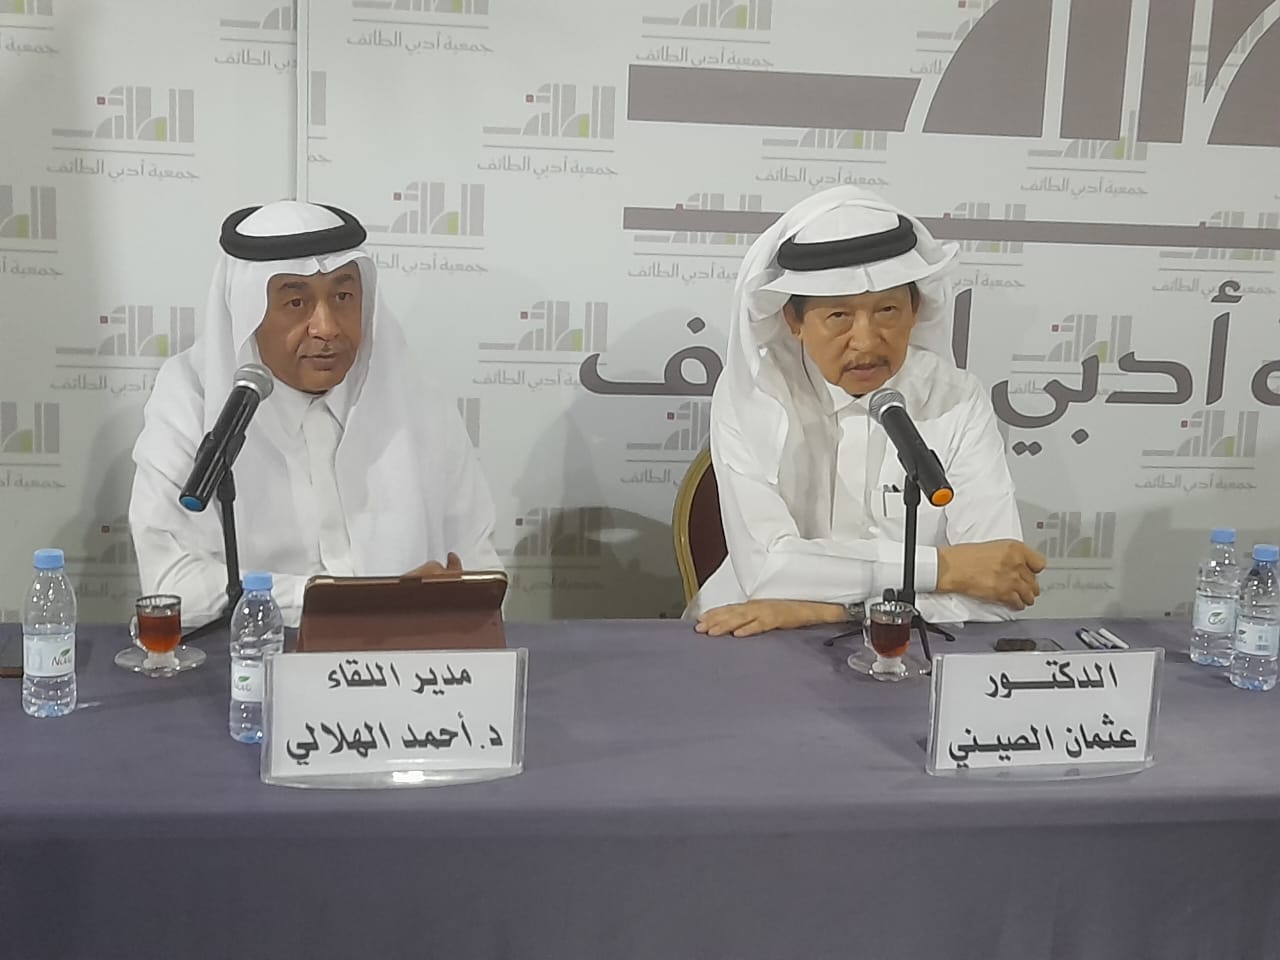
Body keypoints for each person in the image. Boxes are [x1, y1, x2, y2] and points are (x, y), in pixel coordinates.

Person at [690, 187, 1045, 637]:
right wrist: (945, 568)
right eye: (839, 316)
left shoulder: (957, 400)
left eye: (888, 311)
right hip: (753, 633)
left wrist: (833, 610)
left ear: (916, 310)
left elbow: (998, 587)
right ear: (794, 321)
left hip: (902, 646)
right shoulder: (753, 394)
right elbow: (767, 570)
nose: (866, 341)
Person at [129, 201, 501, 627]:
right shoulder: (191, 398)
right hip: (251, 658)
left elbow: (480, 569)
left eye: (343, 297)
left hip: (406, 660)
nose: (326, 327)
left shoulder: (420, 404)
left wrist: (446, 599)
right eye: (295, 302)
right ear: (247, 313)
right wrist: (365, 606)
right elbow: (172, 587)